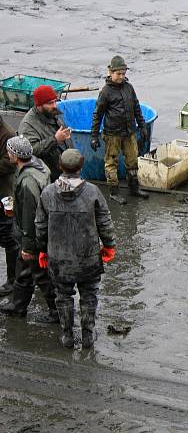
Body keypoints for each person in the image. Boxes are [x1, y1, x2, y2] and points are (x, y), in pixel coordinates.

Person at [36, 149, 116, 348]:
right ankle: (88, 335)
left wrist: (42, 250)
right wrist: (109, 246)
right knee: (89, 295)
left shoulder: (47, 193)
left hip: (59, 259)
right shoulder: (92, 192)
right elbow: (105, 222)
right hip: (88, 258)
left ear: (60, 167)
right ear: (81, 167)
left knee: (63, 296)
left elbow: (40, 225)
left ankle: (67, 336)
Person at [0, 136, 56, 321]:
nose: (8, 154)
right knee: (23, 272)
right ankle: (18, 306)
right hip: (39, 231)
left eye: (10, 151)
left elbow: (30, 217)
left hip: (33, 237)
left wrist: (27, 247)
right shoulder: (38, 165)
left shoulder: (27, 183)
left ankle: (56, 311)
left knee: (41, 275)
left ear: (16, 156)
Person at [90, 55, 149, 204]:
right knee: (111, 163)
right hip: (112, 134)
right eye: (118, 74)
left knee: (132, 160)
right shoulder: (105, 92)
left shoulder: (129, 88)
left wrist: (142, 126)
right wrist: (94, 136)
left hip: (129, 132)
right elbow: (98, 114)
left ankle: (134, 188)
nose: (121, 77)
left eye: (124, 74)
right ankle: (114, 192)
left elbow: (136, 108)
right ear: (110, 72)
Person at [18, 84, 74, 183]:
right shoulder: (28, 125)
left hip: (66, 172)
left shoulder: (51, 113)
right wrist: (55, 140)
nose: (54, 106)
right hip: (48, 178)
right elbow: (30, 151)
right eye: (49, 103)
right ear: (38, 105)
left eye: (55, 101)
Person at [0, 116, 20, 296]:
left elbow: (9, 164)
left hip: (4, 194)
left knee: (9, 238)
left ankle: (13, 280)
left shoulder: (7, 134)